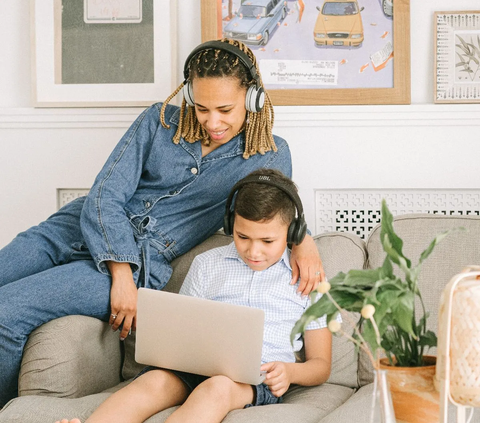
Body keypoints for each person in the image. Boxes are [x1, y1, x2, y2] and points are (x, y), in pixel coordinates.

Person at [0, 38, 325, 407]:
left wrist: (305, 240)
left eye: (225, 109)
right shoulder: (156, 121)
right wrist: (120, 275)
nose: (213, 122)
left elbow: (278, 211)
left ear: (252, 98)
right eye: (202, 108)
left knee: (5, 313)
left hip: (143, 260)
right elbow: (105, 195)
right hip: (72, 230)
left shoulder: (268, 152)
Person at [56, 168, 332, 423]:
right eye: (242, 237)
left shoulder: (310, 281)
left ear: (292, 233)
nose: (253, 251)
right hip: (194, 367)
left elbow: (321, 365)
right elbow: (182, 330)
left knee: (217, 388)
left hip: (256, 379)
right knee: (152, 383)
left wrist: (290, 372)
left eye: (267, 241)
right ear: (230, 225)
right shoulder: (206, 264)